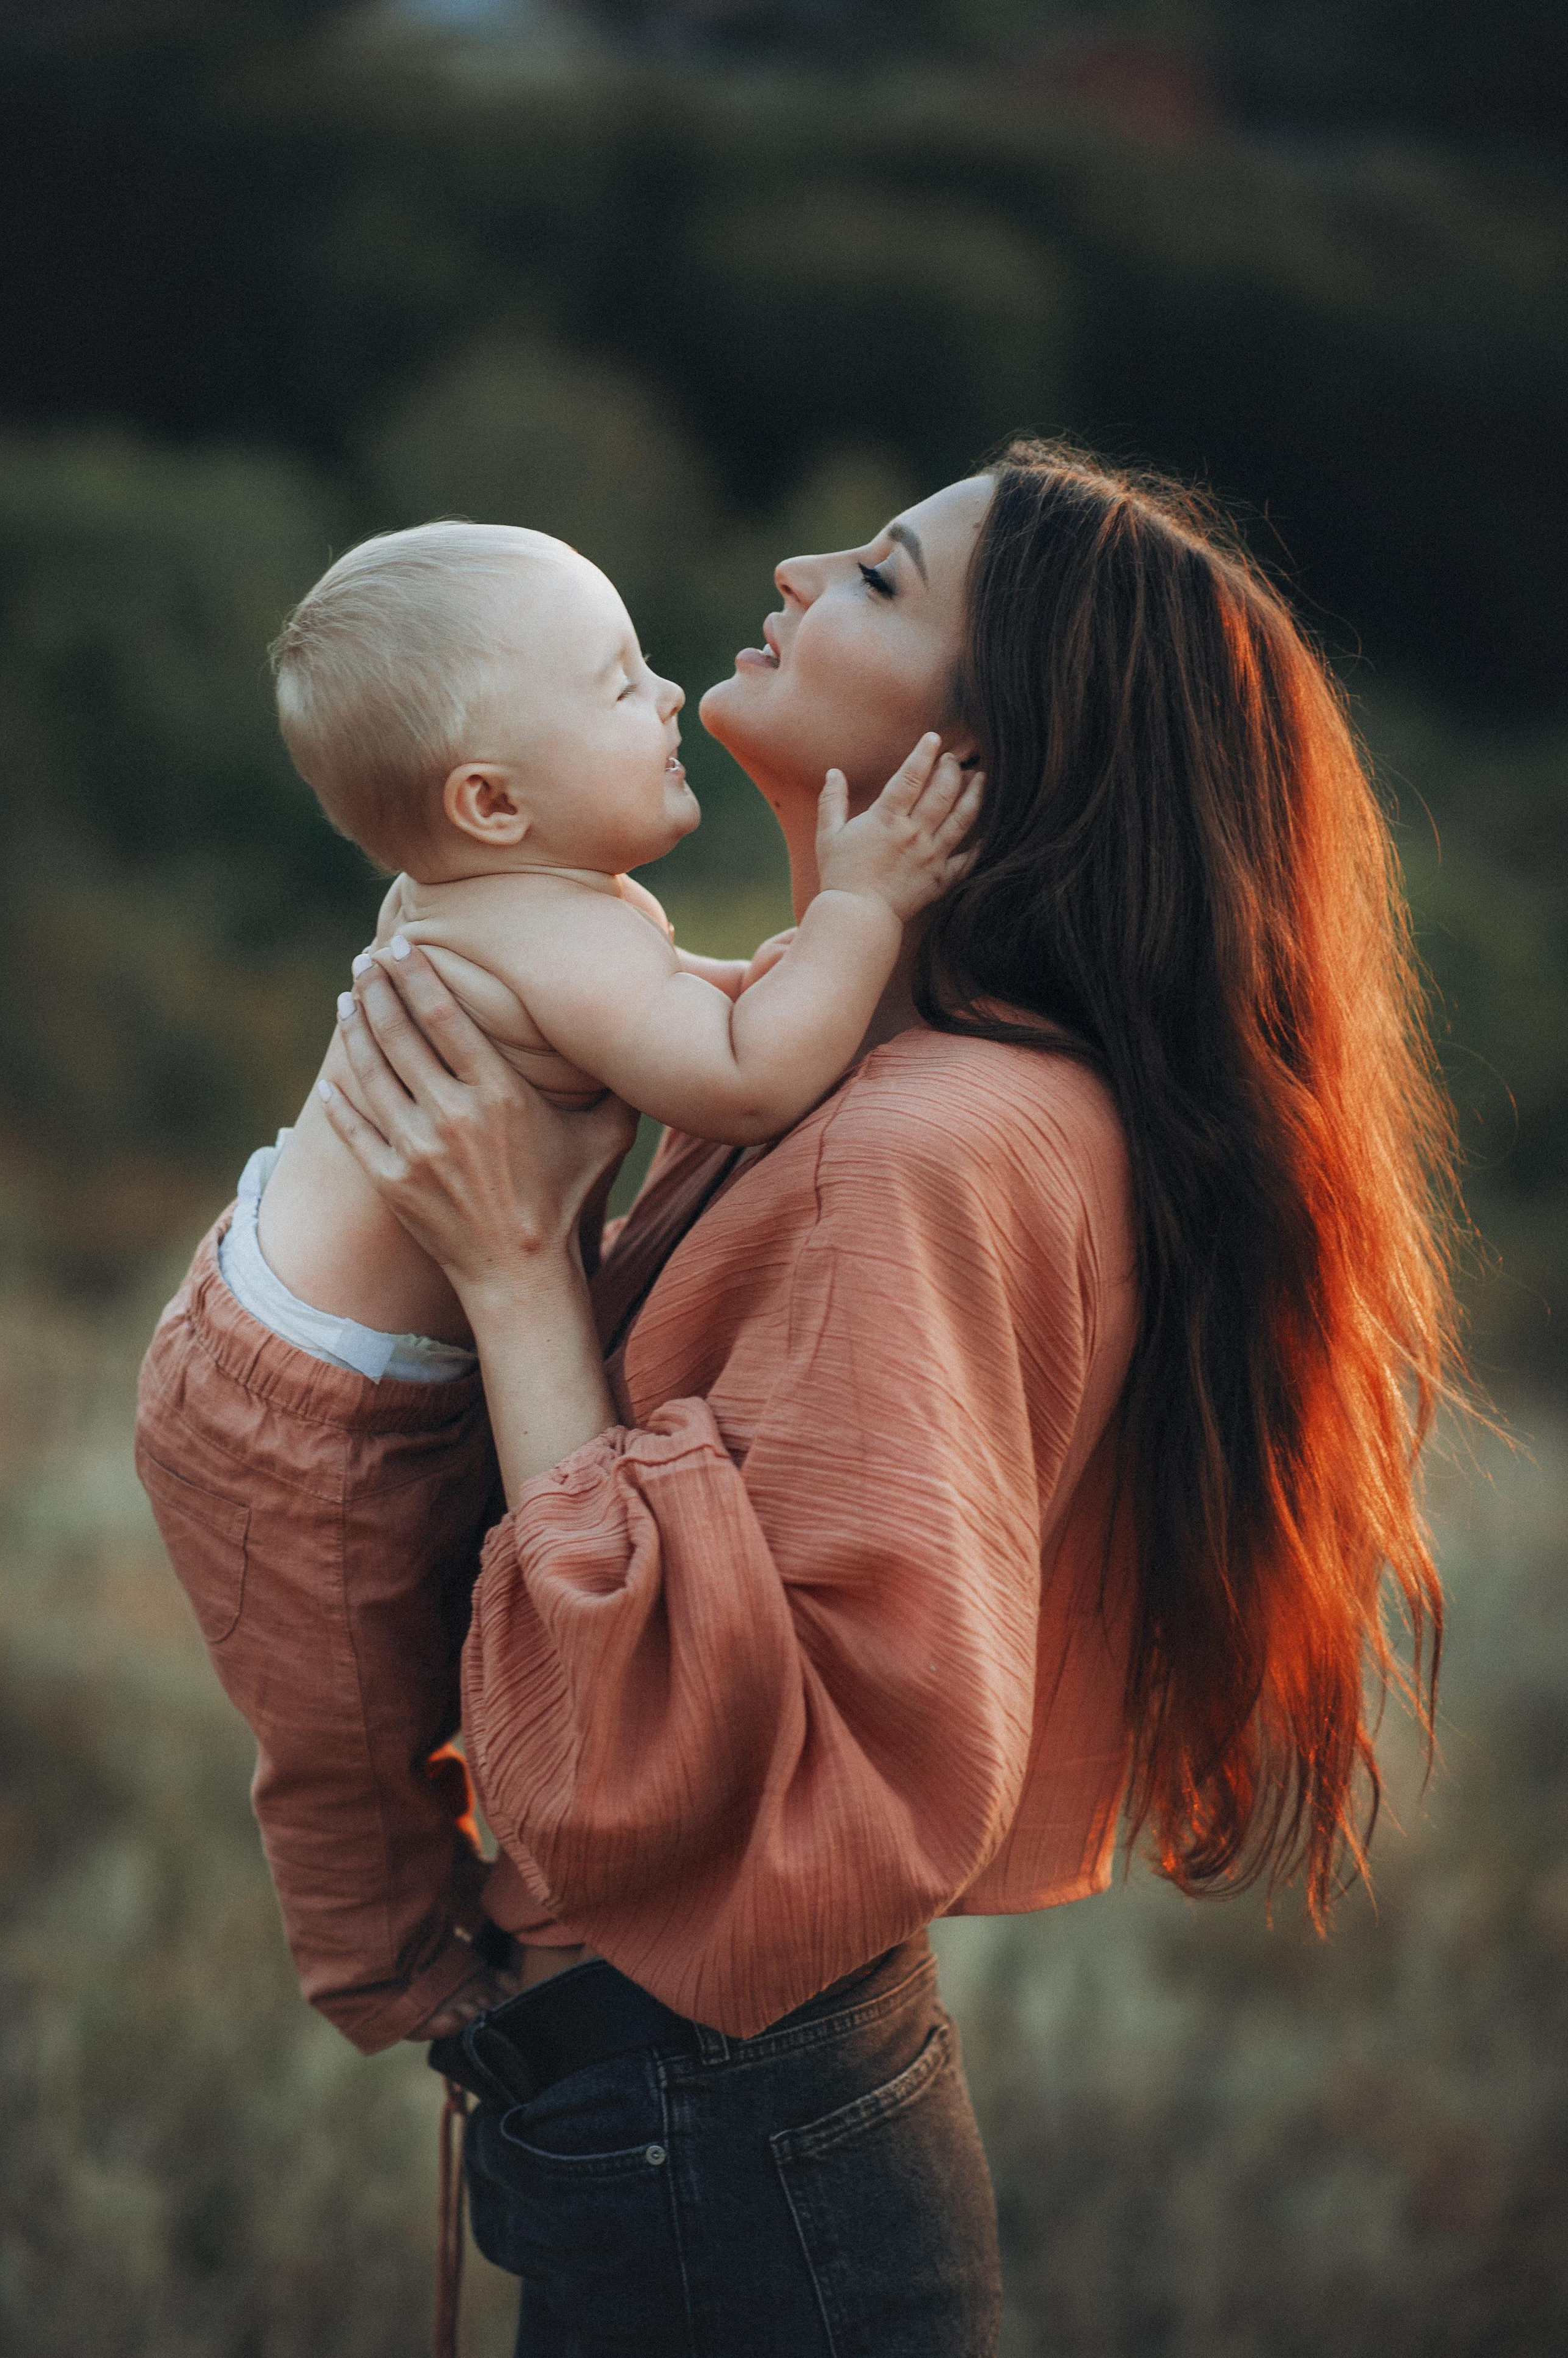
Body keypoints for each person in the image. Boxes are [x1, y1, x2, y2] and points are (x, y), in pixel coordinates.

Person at [145, 439, 1461, 2357]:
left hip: (721, 2131)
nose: (791, 564)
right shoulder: (874, 1072)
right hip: (717, 2114)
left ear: (989, 743)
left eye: (882, 580)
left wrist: (515, 1273)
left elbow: (658, 1770)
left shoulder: (907, 1153)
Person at [135, 520, 979, 2051]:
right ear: (490, 799)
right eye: (614, 684)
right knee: (343, 1716)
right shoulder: (544, 926)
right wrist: (865, 907)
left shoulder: (510, 899)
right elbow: (738, 1075)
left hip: (293, 1331)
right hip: (301, 1409)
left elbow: (701, 1011)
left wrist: (790, 972)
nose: (666, 692)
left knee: (387, 1673)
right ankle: (391, 1973)